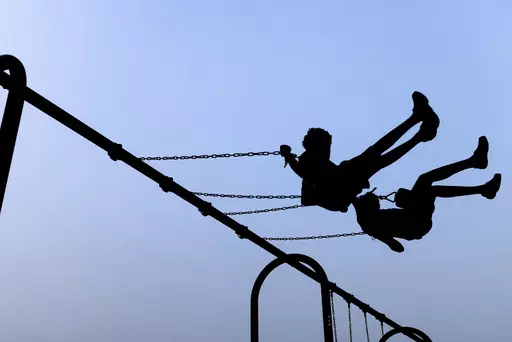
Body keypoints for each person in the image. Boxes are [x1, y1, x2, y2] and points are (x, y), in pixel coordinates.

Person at [280, 91, 440, 213]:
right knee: (379, 156)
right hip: (347, 181)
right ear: (315, 145)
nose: (329, 151)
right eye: (326, 146)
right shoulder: (309, 160)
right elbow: (301, 171)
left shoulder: (315, 159)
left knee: (376, 152)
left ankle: (417, 123)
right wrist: (288, 156)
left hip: (346, 176)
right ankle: (419, 130)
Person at [353, 136, 502, 252]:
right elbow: (397, 247)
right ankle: (478, 175)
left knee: (425, 181)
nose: (379, 203)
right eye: (376, 202)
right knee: (421, 188)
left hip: (415, 217)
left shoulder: (368, 218)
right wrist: (387, 238)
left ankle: (476, 168)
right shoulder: (368, 223)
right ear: (367, 207)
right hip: (416, 224)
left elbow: (353, 200)